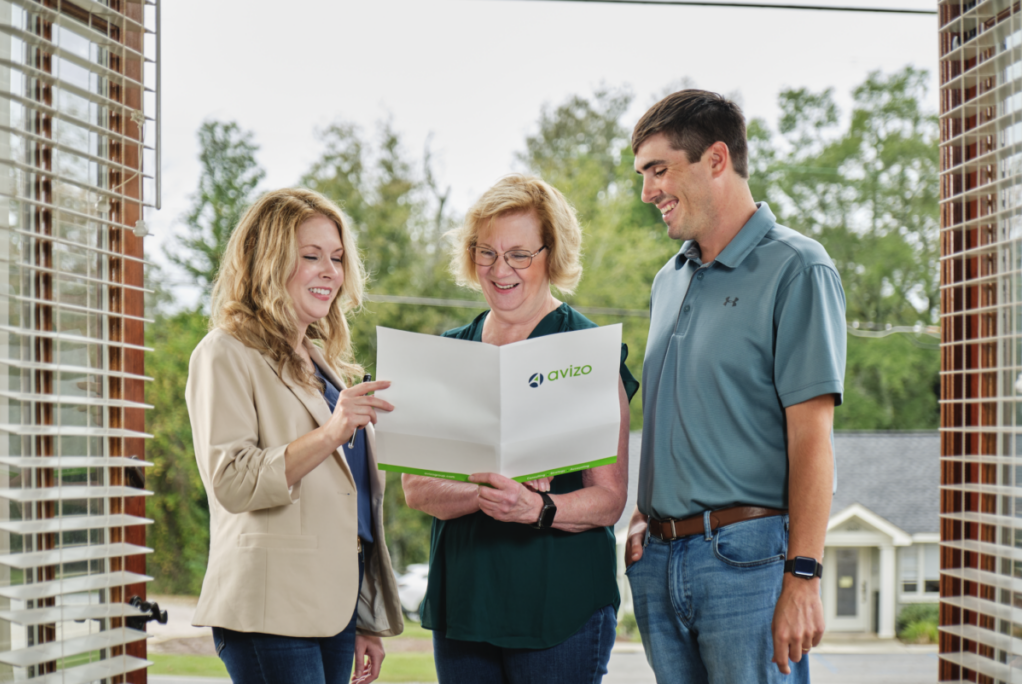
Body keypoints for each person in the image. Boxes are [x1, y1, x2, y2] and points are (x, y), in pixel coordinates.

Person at [624, 90, 847, 683]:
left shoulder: (797, 267)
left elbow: (812, 437)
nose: (648, 192)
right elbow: (677, 411)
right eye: (643, 175)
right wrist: (646, 513)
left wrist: (803, 574)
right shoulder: (669, 280)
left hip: (747, 563)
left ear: (716, 159)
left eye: (658, 170)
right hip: (661, 561)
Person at [402, 175, 638, 684]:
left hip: (560, 610)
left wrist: (538, 508)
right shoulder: (448, 354)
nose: (500, 269)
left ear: (551, 254)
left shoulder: (586, 351)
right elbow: (417, 488)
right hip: (465, 605)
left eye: (519, 254)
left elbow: (609, 500)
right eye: (486, 252)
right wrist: (491, 486)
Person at [185, 188, 404, 684]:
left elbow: (353, 502)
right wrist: (331, 432)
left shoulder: (321, 362)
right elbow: (233, 482)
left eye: (338, 258)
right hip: (271, 609)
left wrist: (363, 615)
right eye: (311, 256)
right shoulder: (224, 352)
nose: (330, 270)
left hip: (333, 609)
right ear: (268, 261)